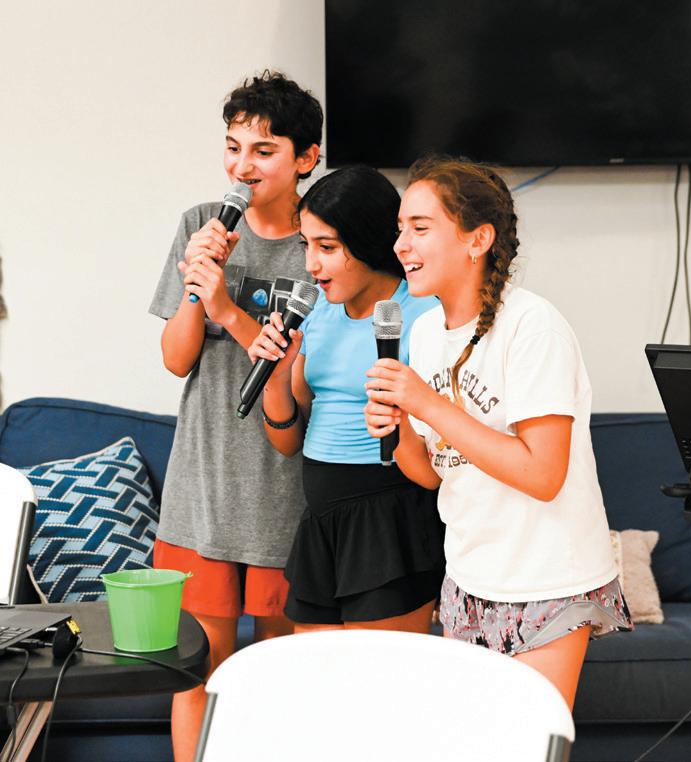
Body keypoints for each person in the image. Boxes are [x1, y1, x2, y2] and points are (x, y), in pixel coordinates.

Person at [364, 156, 632, 709]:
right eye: (400, 229)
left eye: (420, 228)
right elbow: (432, 475)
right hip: (469, 577)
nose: (401, 245)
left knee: (530, 741)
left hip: (548, 579)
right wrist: (401, 427)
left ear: (478, 239)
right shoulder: (425, 333)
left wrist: (428, 404)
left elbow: (543, 474)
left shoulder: (532, 326)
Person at [148, 71, 321, 761]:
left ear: (306, 158)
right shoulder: (202, 224)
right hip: (205, 487)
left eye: (263, 151)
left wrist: (227, 307)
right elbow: (176, 359)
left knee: (281, 677)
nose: (242, 166)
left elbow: (302, 373)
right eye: (232, 147)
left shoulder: (324, 242)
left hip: (287, 492)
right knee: (199, 674)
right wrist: (200, 291)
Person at [248, 165, 445, 633]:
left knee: (377, 676)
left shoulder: (426, 314)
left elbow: (440, 446)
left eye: (328, 247)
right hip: (321, 520)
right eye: (306, 245)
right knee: (315, 674)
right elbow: (288, 442)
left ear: (368, 241)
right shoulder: (317, 312)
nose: (311, 265)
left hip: (391, 518)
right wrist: (275, 379)